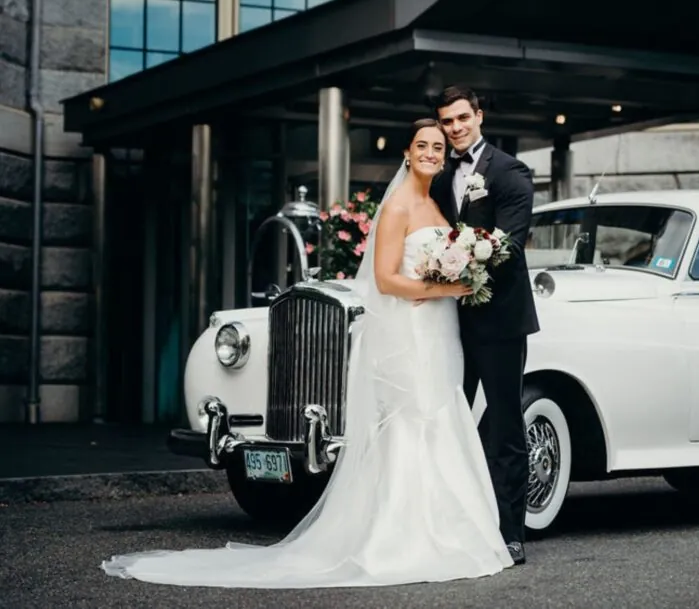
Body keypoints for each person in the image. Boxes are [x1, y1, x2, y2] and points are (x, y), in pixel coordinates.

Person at [99, 118, 515, 587]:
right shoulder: (398, 204)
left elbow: (441, 259)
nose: (431, 154)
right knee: (411, 422)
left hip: (441, 331)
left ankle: (454, 531)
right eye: (423, 146)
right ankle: (403, 538)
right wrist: (446, 287)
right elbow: (384, 280)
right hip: (413, 330)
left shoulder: (436, 204)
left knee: (442, 414)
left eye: (438, 148)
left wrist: (457, 275)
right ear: (407, 152)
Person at [430, 85, 541, 566]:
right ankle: (451, 524)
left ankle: (511, 532)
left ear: (478, 116)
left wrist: (458, 265)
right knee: (447, 420)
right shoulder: (438, 177)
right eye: (446, 121)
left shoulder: (509, 172)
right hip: (446, 323)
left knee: (504, 427)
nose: (454, 128)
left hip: (499, 321)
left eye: (461, 118)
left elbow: (508, 245)